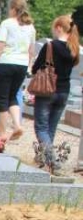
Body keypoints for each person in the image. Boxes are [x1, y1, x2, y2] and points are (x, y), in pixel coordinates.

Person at [31, 15, 80, 172]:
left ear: (59, 27)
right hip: (64, 92)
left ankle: (52, 160)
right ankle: (44, 158)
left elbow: (35, 68)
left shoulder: (50, 46)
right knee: (50, 128)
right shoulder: (74, 48)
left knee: (41, 127)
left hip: (47, 90)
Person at [0, 0, 35, 141]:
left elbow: (0, 46)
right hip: (21, 64)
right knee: (13, 95)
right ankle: (17, 125)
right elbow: (31, 50)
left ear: (13, 9)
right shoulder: (30, 27)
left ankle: (2, 132)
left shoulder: (7, 23)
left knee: (1, 98)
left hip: (6, 62)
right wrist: (28, 65)